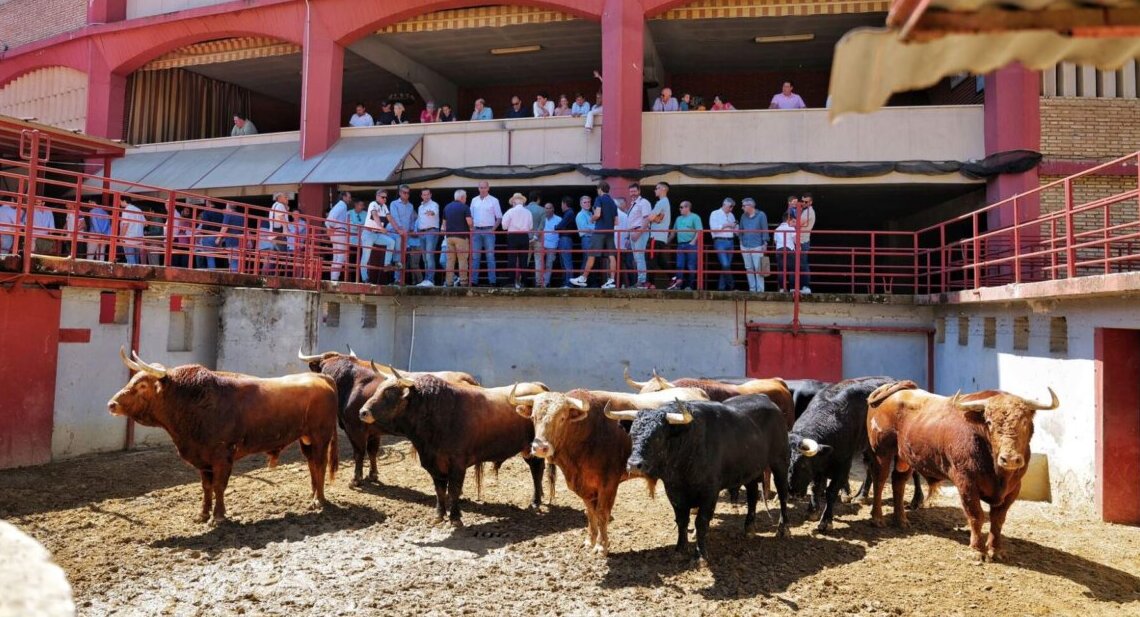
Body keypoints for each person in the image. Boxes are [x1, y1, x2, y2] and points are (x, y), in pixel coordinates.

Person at [569, 181, 617, 289]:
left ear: (600, 189)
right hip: (610, 232)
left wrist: (592, 219)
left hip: (599, 233)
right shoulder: (613, 202)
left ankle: (583, 278)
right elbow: (616, 222)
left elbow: (597, 214)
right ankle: (612, 281)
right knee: (611, 256)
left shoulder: (599, 199)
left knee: (591, 256)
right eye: (585, 202)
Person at [469, 180, 502, 286]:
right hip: (476, 230)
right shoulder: (474, 200)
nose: (482, 189)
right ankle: (474, 281)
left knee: (490, 256)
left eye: (484, 187)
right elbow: (471, 217)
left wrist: (493, 229)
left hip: (489, 230)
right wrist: (472, 228)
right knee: (475, 257)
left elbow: (499, 217)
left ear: (488, 188)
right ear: (478, 188)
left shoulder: (494, 200)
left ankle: (492, 281)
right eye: (481, 187)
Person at [360, 189, 395, 284]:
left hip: (378, 233)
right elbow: (375, 215)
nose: (384, 199)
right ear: (377, 196)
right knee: (366, 256)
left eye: (386, 197)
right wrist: (381, 227)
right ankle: (365, 278)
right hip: (368, 233)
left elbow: (389, 218)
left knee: (391, 242)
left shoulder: (384, 206)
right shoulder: (373, 204)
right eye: (382, 197)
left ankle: (387, 264)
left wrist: (398, 229)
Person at [501, 193, 533, 289]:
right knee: (524, 260)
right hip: (524, 236)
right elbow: (531, 227)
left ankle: (511, 281)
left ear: (514, 201)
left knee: (512, 259)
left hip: (513, 236)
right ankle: (524, 282)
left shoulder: (510, 212)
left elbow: (504, 226)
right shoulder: (528, 212)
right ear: (522, 202)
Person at [441, 189, 473, 287]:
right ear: (462, 197)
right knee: (462, 260)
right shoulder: (465, 207)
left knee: (450, 260)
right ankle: (463, 282)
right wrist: (472, 228)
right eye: (466, 197)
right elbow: (469, 222)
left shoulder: (447, 207)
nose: (466, 199)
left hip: (449, 237)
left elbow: (444, 224)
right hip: (461, 237)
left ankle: (449, 282)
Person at [668, 200, 702, 290]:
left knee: (691, 266)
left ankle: (689, 286)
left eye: (681, 207)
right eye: (680, 207)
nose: (680, 209)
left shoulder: (695, 217)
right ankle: (679, 286)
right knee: (679, 265)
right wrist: (666, 242)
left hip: (691, 244)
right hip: (680, 245)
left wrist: (693, 242)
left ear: (688, 208)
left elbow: (699, 231)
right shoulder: (678, 219)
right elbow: (673, 232)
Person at [739, 198, 770, 293]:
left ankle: (760, 290)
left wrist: (765, 243)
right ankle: (752, 289)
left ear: (750, 206)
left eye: (744, 206)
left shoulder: (761, 215)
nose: (742, 208)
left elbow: (765, 229)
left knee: (758, 268)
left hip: (757, 245)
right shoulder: (743, 216)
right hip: (745, 245)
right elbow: (740, 230)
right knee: (749, 268)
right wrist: (741, 243)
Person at [388, 184, 416, 285]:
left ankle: (399, 279)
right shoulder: (393, 204)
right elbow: (394, 217)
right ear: (400, 193)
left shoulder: (411, 206)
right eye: (404, 192)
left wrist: (412, 229)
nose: (406, 195)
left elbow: (412, 219)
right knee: (396, 255)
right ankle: (395, 278)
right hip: (395, 233)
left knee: (401, 256)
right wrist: (401, 230)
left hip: (405, 235)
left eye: (408, 193)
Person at [626, 183, 652, 288]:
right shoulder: (633, 204)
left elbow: (646, 219)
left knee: (639, 257)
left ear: (639, 191)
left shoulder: (643, 202)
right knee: (637, 258)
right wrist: (629, 236)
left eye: (634, 191)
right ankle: (640, 280)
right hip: (633, 232)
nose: (632, 193)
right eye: (631, 191)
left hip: (639, 232)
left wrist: (638, 232)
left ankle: (642, 281)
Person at [709, 197, 738, 291]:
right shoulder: (715, 213)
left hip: (731, 241)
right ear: (724, 204)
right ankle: (732, 285)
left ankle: (721, 288)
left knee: (726, 266)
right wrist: (727, 225)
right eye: (730, 207)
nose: (731, 209)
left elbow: (735, 229)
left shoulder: (731, 215)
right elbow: (713, 228)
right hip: (719, 241)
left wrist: (735, 227)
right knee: (725, 265)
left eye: (732, 207)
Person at [648, 181, 672, 289]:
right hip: (661, 237)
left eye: (657, 188)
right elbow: (656, 218)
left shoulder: (661, 202)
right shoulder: (665, 202)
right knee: (659, 260)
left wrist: (655, 219)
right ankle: (674, 278)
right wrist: (657, 218)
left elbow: (650, 217)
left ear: (663, 189)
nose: (655, 190)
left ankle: (650, 283)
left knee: (651, 259)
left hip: (656, 236)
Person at [416, 188, 441, 286]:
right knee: (425, 257)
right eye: (424, 195)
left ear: (430, 195)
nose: (426, 196)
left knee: (429, 256)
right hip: (421, 232)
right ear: (421, 196)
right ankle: (427, 279)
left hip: (431, 231)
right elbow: (419, 220)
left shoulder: (434, 204)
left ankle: (430, 280)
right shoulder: (420, 207)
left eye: (427, 194)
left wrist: (431, 213)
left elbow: (434, 212)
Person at [325, 191, 351, 281]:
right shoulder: (342, 205)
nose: (349, 199)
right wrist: (330, 227)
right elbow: (331, 217)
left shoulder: (338, 205)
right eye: (348, 197)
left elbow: (328, 219)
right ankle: (335, 277)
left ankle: (333, 277)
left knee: (336, 256)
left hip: (335, 232)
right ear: (344, 197)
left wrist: (330, 227)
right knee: (341, 256)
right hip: (340, 231)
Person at [536, 202, 563, 288]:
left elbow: (561, 233)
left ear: (553, 209)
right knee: (539, 263)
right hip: (541, 244)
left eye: (549, 208)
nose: (547, 210)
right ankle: (539, 282)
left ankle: (545, 283)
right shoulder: (541, 218)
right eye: (546, 208)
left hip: (552, 245)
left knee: (549, 264)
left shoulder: (559, 219)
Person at [553, 196, 577, 287]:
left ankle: (569, 283)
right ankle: (566, 282)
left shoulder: (569, 213)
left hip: (565, 239)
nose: (561, 206)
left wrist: (556, 227)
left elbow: (560, 226)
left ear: (564, 204)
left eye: (561, 204)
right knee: (564, 262)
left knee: (566, 262)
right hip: (566, 239)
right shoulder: (570, 213)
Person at [773, 209, 797, 293]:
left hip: (779, 250)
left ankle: (782, 289)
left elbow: (775, 242)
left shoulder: (777, 229)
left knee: (781, 270)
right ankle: (792, 289)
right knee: (791, 270)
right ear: (788, 220)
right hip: (789, 249)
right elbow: (795, 240)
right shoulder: (791, 228)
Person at [217, 201, 245, 273]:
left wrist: (218, 238)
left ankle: (235, 278)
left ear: (228, 206)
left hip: (231, 241)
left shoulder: (228, 214)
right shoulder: (241, 215)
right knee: (238, 261)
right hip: (240, 242)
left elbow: (224, 227)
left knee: (233, 261)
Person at [196, 203, 224, 269]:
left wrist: (202, 233)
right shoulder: (220, 213)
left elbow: (205, 225)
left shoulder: (207, 212)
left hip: (208, 236)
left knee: (210, 257)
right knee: (217, 257)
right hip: (217, 237)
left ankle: (212, 272)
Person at [798, 192, 816, 294]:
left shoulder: (809, 211)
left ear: (810, 202)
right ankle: (802, 286)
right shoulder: (805, 211)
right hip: (801, 240)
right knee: (801, 264)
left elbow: (798, 223)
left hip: (803, 241)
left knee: (803, 264)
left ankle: (805, 286)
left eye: (806, 201)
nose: (804, 203)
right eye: (803, 201)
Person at [525, 190, 545, 285]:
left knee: (524, 260)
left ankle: (521, 281)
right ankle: (539, 282)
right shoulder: (542, 210)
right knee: (538, 261)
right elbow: (542, 226)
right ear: (538, 199)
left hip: (526, 238)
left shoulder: (524, 209)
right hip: (538, 239)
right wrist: (536, 236)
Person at [119, 198, 145, 264]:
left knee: (130, 259)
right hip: (138, 237)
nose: (119, 203)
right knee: (136, 259)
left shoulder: (126, 210)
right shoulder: (139, 210)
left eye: (120, 201)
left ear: (124, 200)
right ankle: (136, 273)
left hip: (129, 238)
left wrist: (121, 237)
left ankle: (131, 274)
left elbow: (125, 225)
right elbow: (145, 224)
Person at [348, 199, 367, 279]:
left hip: (362, 242)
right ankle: (352, 279)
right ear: (355, 204)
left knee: (361, 261)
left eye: (363, 205)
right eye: (360, 205)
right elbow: (349, 226)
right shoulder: (349, 213)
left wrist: (358, 226)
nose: (361, 207)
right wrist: (359, 226)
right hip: (351, 242)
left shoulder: (365, 214)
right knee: (352, 261)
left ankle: (361, 279)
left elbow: (367, 226)